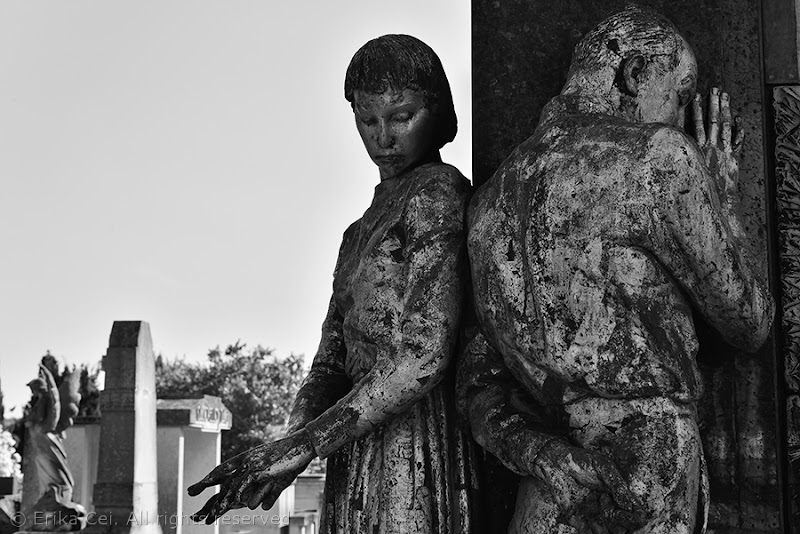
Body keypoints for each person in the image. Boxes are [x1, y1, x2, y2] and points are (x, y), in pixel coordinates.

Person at [459, 6, 774, 534]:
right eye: (678, 95)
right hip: (647, 473)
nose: (679, 115)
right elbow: (750, 323)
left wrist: (543, 455)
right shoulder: (659, 157)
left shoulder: (488, 203)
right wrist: (721, 205)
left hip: (544, 493)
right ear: (635, 74)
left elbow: (477, 389)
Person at [189, 34, 480, 533]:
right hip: (352, 441)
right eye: (367, 121)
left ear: (437, 110)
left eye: (401, 116)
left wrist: (303, 445)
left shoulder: (437, 193)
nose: (383, 138)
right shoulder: (357, 232)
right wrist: (286, 450)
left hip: (414, 443)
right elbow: (330, 361)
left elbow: (424, 354)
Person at [26, 364, 87, 531]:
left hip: (46, 440)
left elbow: (51, 407)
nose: (31, 393)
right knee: (47, 475)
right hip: (40, 441)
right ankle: (52, 501)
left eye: (32, 388)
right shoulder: (41, 400)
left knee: (54, 473)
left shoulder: (46, 399)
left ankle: (58, 498)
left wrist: (49, 378)